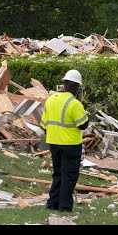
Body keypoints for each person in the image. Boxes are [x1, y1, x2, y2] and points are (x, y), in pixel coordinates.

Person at [40, 69, 89, 212]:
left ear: (64, 83)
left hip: (53, 143)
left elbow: (44, 125)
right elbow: (83, 125)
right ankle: (65, 207)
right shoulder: (74, 104)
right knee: (69, 176)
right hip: (70, 145)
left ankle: (52, 204)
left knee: (57, 174)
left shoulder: (50, 100)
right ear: (75, 86)